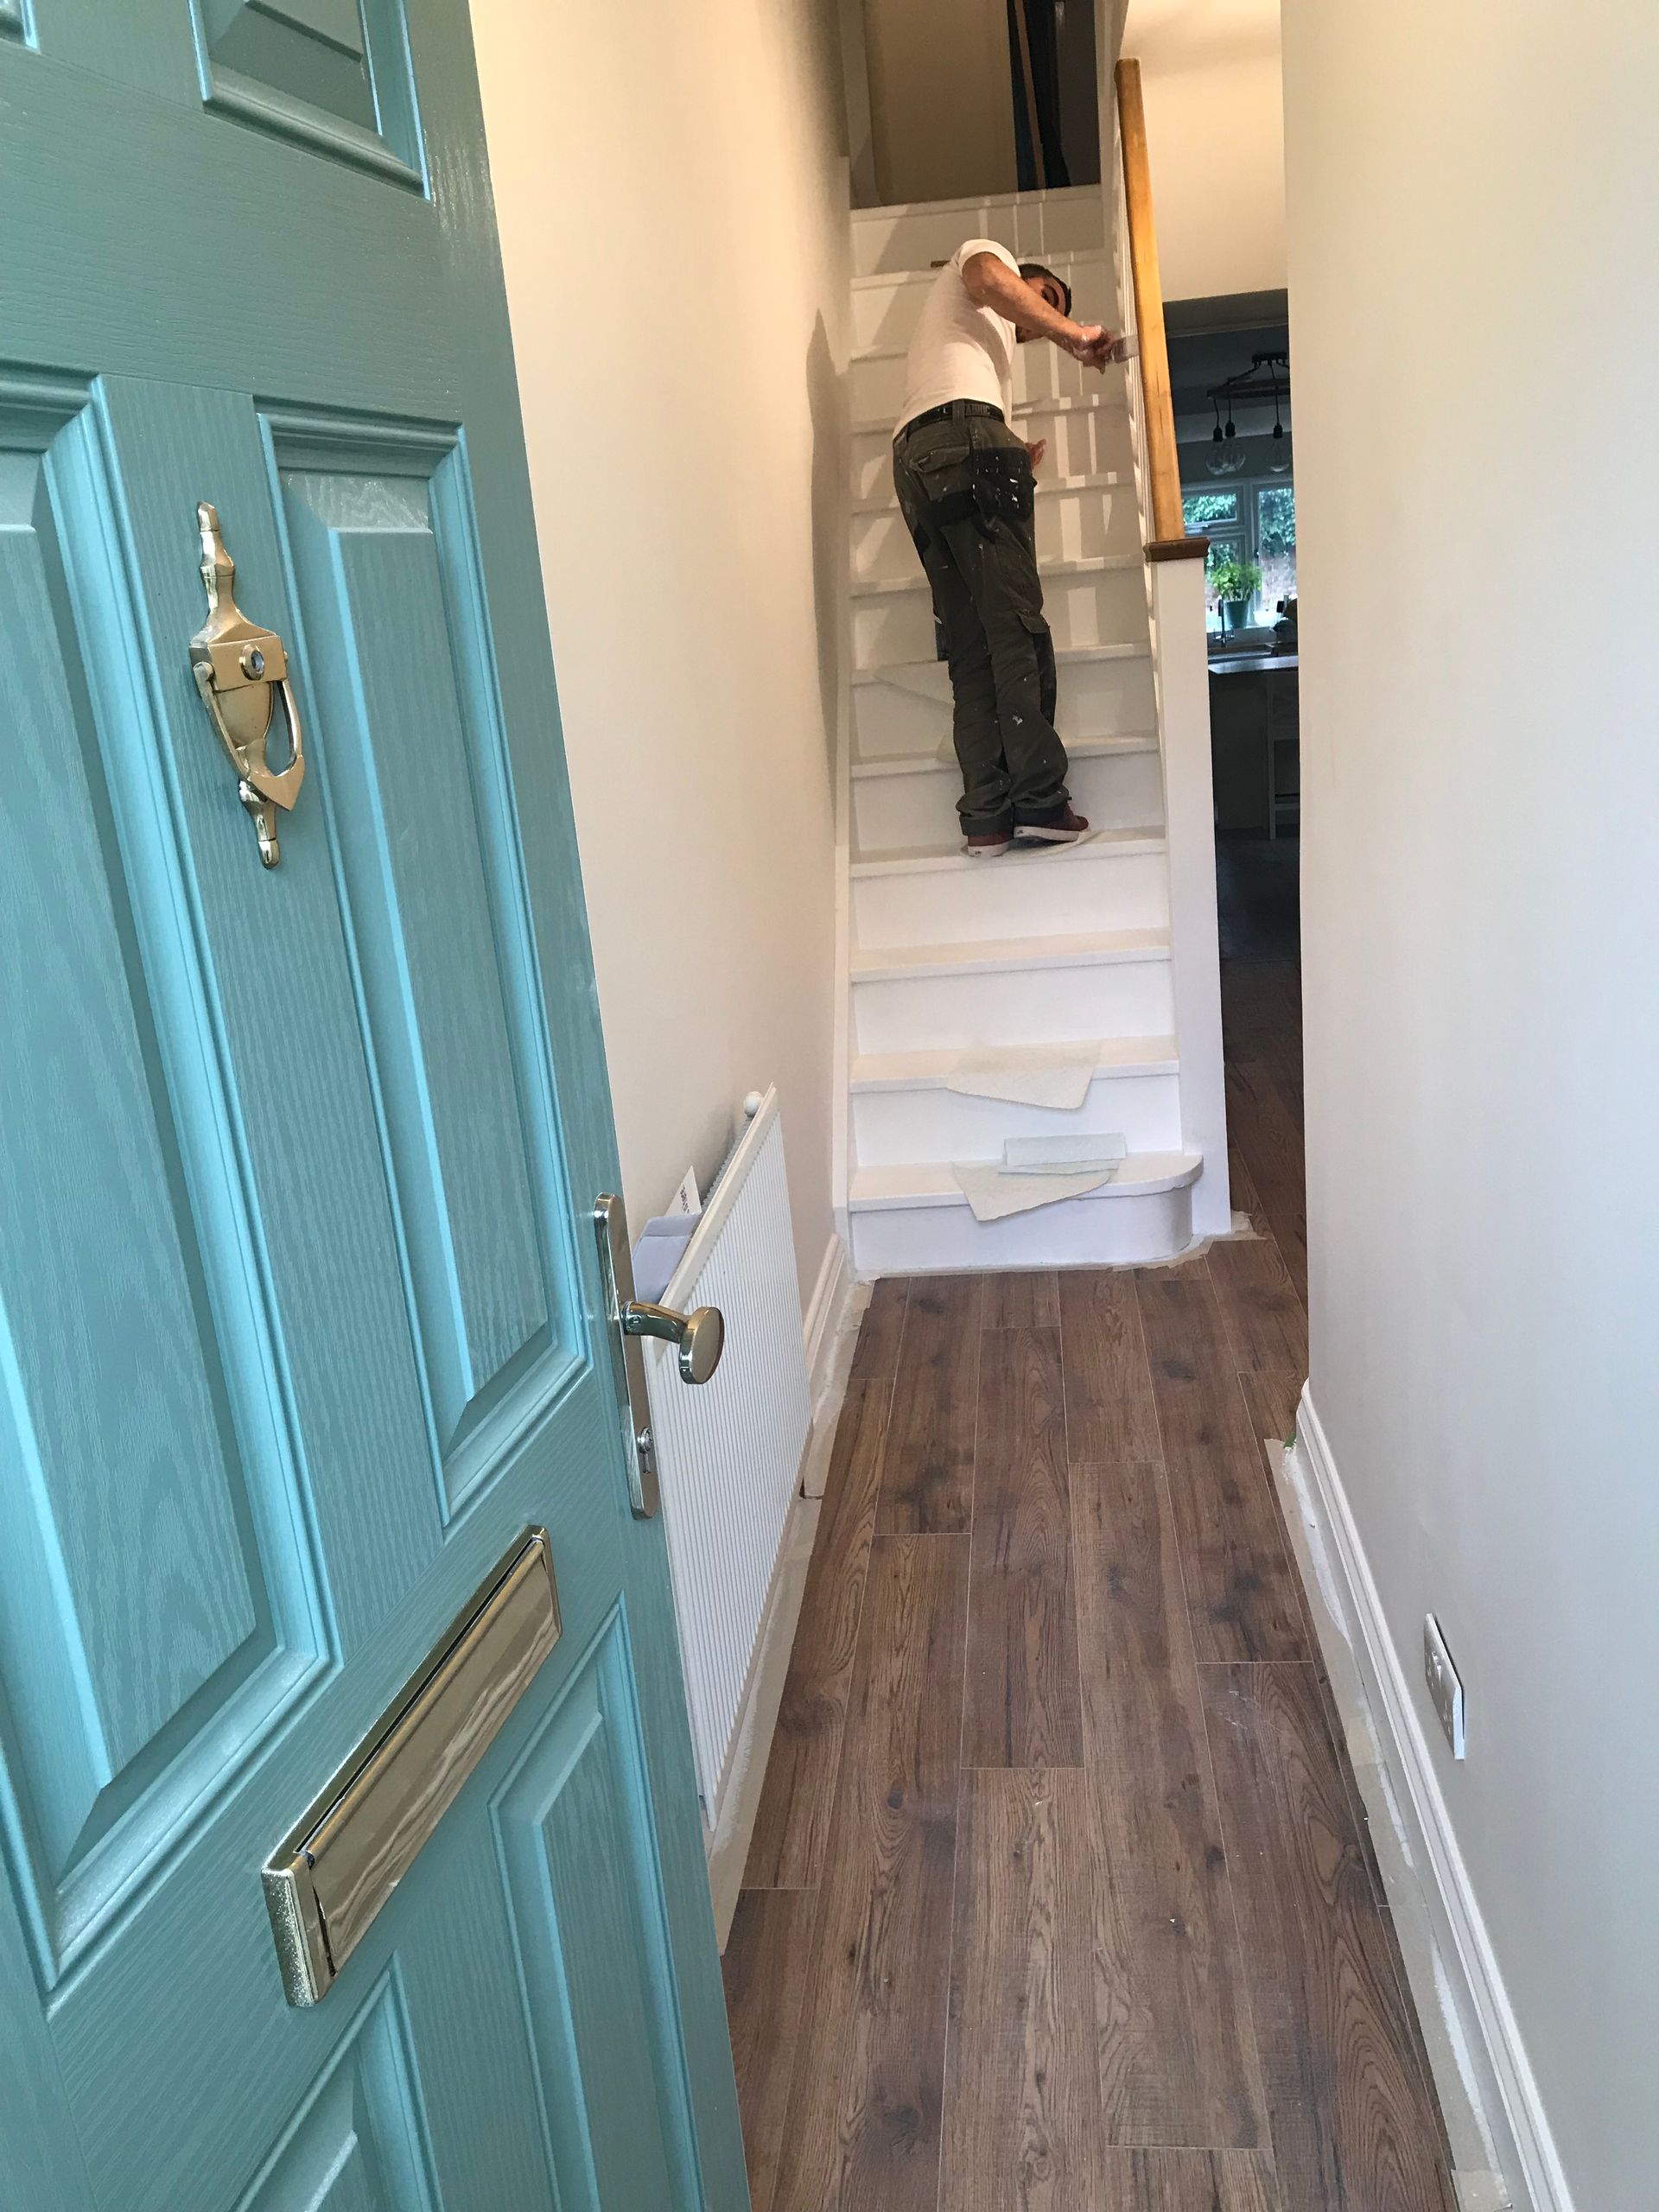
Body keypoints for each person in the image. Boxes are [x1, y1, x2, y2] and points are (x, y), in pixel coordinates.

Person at [892, 240, 1116, 855]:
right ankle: (1041, 801)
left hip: (916, 459)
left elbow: (953, 421)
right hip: (964, 436)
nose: (1039, 320)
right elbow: (989, 276)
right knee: (1015, 628)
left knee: (970, 643)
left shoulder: (972, 349)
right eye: (1046, 297)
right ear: (1028, 277)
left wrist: (1009, 450)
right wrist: (1073, 332)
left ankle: (986, 816)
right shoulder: (991, 258)